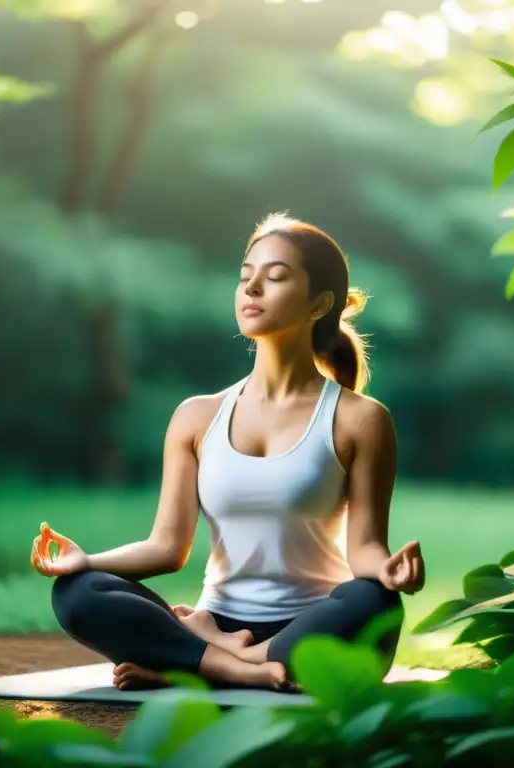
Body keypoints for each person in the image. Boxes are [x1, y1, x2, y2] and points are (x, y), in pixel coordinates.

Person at [30, 213, 426, 692]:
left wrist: (387, 571)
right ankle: (237, 670)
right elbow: (166, 547)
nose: (252, 289)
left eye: (275, 277)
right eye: (245, 277)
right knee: (77, 594)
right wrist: (86, 561)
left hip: (309, 625)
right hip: (215, 619)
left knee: (373, 601)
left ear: (320, 303)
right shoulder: (197, 416)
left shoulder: (360, 419)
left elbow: (363, 549)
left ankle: (200, 662)